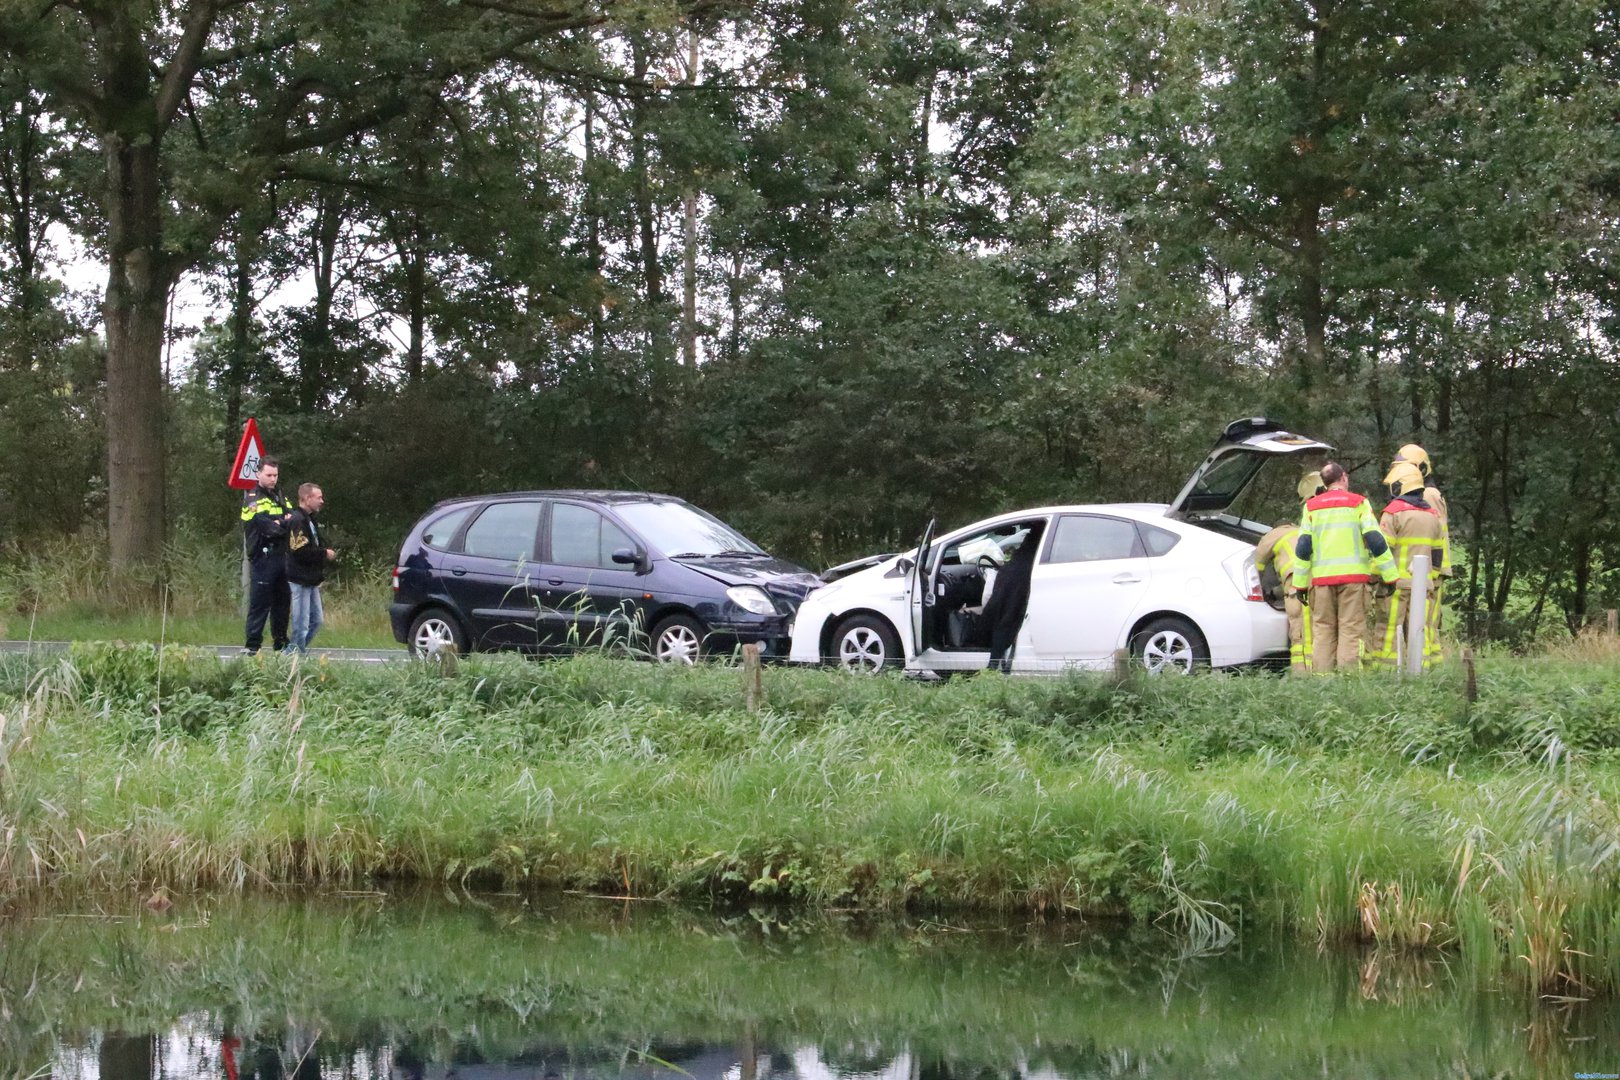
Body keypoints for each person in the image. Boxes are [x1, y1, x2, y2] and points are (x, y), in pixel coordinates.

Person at [1291, 461, 1398, 672]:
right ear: (1345, 477)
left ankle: (1324, 684)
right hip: (1354, 582)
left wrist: (1300, 585)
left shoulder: (1311, 508)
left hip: (1321, 583)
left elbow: (1303, 548)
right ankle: (1348, 682)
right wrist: (1390, 575)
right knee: (1351, 631)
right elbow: (1375, 540)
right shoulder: (1358, 503)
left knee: (1322, 631)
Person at [1371, 462, 1443, 670]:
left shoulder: (1393, 513)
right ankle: (1423, 673)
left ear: (1400, 486)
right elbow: (1438, 553)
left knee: (1388, 630)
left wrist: (1373, 578)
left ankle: (1385, 673)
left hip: (1396, 587)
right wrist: (1431, 578)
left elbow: (1382, 550)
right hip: (1424, 587)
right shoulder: (1433, 515)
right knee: (1422, 632)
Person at [1254, 470, 1325, 675]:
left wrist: (1262, 591)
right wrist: (1276, 592)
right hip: (1320, 586)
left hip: (1297, 589)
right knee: (1322, 633)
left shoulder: (1276, 535)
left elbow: (1257, 563)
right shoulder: (1305, 530)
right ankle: (1322, 675)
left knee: (1300, 638)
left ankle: (1302, 678)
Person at [1391, 442, 1450, 633]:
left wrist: (1433, 570)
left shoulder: (1429, 494)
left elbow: (1434, 534)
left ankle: (1427, 662)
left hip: (1430, 569)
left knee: (1424, 627)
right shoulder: (1426, 493)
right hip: (1426, 569)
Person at [242, 458, 293, 654]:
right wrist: (282, 523)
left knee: (282, 602)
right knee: (260, 602)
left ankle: (281, 643)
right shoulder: (253, 498)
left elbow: (293, 518)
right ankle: (252, 645)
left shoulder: (279, 495)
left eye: (275, 475)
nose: (273, 479)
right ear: (258, 474)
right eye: (269, 475)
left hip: (281, 556)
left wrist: (281, 523)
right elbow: (266, 528)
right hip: (263, 557)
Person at [983, 523, 1044, 672]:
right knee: (1007, 621)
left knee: (1004, 621)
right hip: (1016, 582)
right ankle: (997, 664)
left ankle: (994, 666)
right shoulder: (1037, 548)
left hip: (1014, 581)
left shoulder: (1026, 555)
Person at [284, 482, 336, 654]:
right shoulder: (298, 520)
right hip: (300, 578)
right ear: (307, 498)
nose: (322, 501)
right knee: (301, 623)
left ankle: (295, 651)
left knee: (317, 620)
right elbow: (299, 550)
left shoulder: (310, 519)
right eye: (318, 497)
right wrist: (323, 554)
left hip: (311, 578)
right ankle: (293, 656)